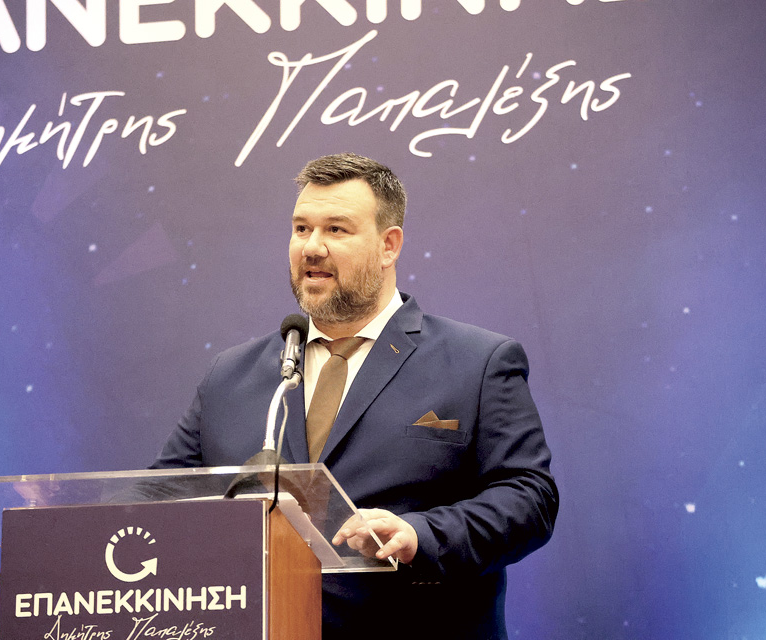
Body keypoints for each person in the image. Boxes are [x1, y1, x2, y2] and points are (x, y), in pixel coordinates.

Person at [151, 152, 558, 639]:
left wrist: (420, 534)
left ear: (389, 245)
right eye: (301, 229)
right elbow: (157, 502)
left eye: (336, 230)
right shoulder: (230, 375)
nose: (312, 247)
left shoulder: (478, 362)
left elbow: (529, 499)